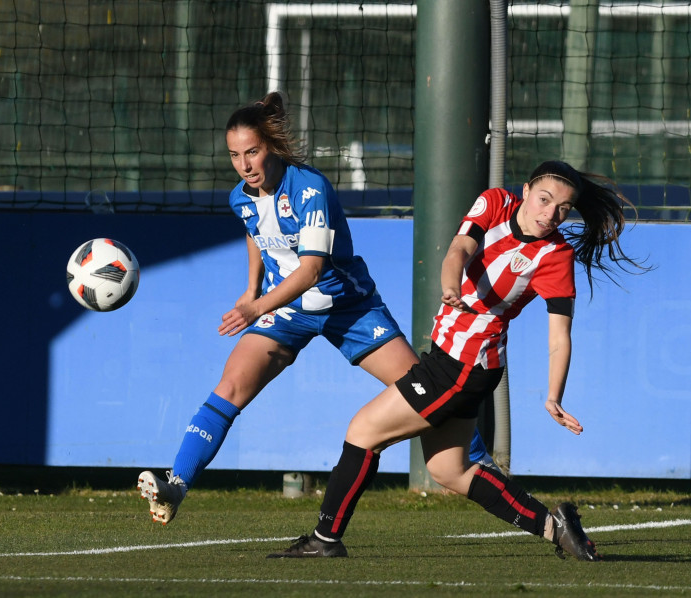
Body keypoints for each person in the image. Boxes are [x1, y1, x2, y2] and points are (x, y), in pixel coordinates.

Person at [137, 92, 494, 525]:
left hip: (349, 306)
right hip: (285, 310)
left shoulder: (309, 188)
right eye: (235, 155)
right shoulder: (240, 197)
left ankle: (485, 470)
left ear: (272, 147)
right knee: (229, 388)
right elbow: (254, 232)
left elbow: (310, 272)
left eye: (252, 152)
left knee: (424, 393)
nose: (245, 165)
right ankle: (176, 484)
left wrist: (254, 309)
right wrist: (251, 290)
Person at [268, 160, 647, 561]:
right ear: (525, 190)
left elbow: (559, 336)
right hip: (459, 363)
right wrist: (451, 283)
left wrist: (553, 396)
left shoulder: (555, 256)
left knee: (363, 431)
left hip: (464, 367)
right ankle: (558, 529)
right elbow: (459, 249)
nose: (549, 214)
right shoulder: (495, 202)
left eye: (562, 209)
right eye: (544, 199)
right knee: (451, 471)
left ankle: (325, 539)